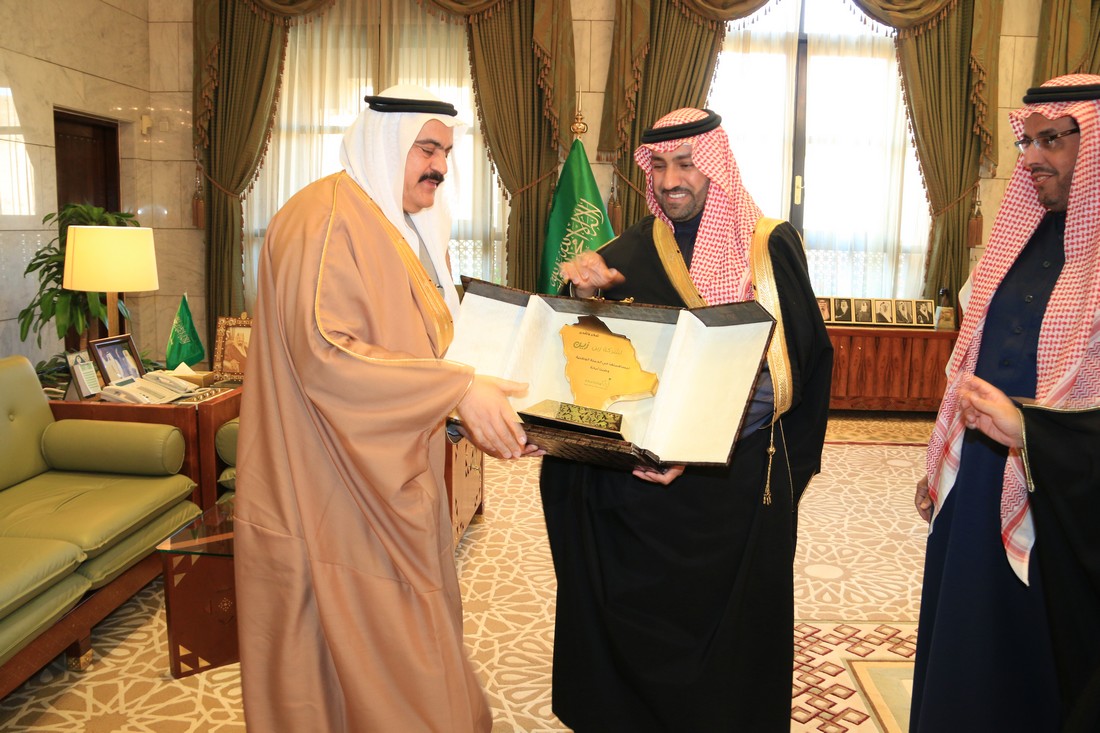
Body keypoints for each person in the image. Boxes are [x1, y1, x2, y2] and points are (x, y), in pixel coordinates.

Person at [233, 85, 537, 733]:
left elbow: (427, 344)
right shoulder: (326, 220)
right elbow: (327, 354)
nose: (440, 166)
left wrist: (496, 408)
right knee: (361, 659)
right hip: (328, 485)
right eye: (426, 149)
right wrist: (456, 391)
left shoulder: (398, 225)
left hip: (389, 473)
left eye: (446, 152)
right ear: (385, 143)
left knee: (407, 646)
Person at [541, 107, 833, 731]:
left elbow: (788, 370)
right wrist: (584, 294)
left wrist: (694, 443)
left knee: (725, 640)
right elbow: (592, 350)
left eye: (686, 164)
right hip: (643, 488)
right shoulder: (634, 246)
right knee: (631, 619)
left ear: (715, 167)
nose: (671, 180)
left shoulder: (766, 245)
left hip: (728, 484)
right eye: (660, 166)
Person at [912, 74, 1100, 733]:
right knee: (965, 641)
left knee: (1033, 658)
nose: (1033, 157)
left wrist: (1036, 434)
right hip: (978, 481)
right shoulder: (1019, 237)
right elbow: (971, 358)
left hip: (1066, 499)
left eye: (1053, 140)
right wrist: (937, 463)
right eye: (1028, 141)